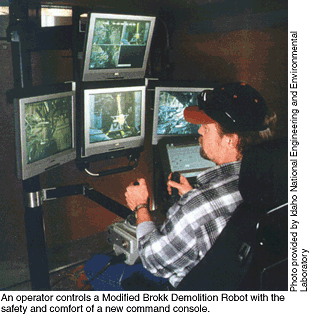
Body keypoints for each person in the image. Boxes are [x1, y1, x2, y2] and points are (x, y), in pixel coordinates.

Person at [125, 82, 277, 289]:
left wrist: (140, 207)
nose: (199, 131)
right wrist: (194, 197)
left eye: (206, 127)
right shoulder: (279, 178)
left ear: (230, 140)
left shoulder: (199, 205)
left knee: (100, 266)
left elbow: (153, 261)